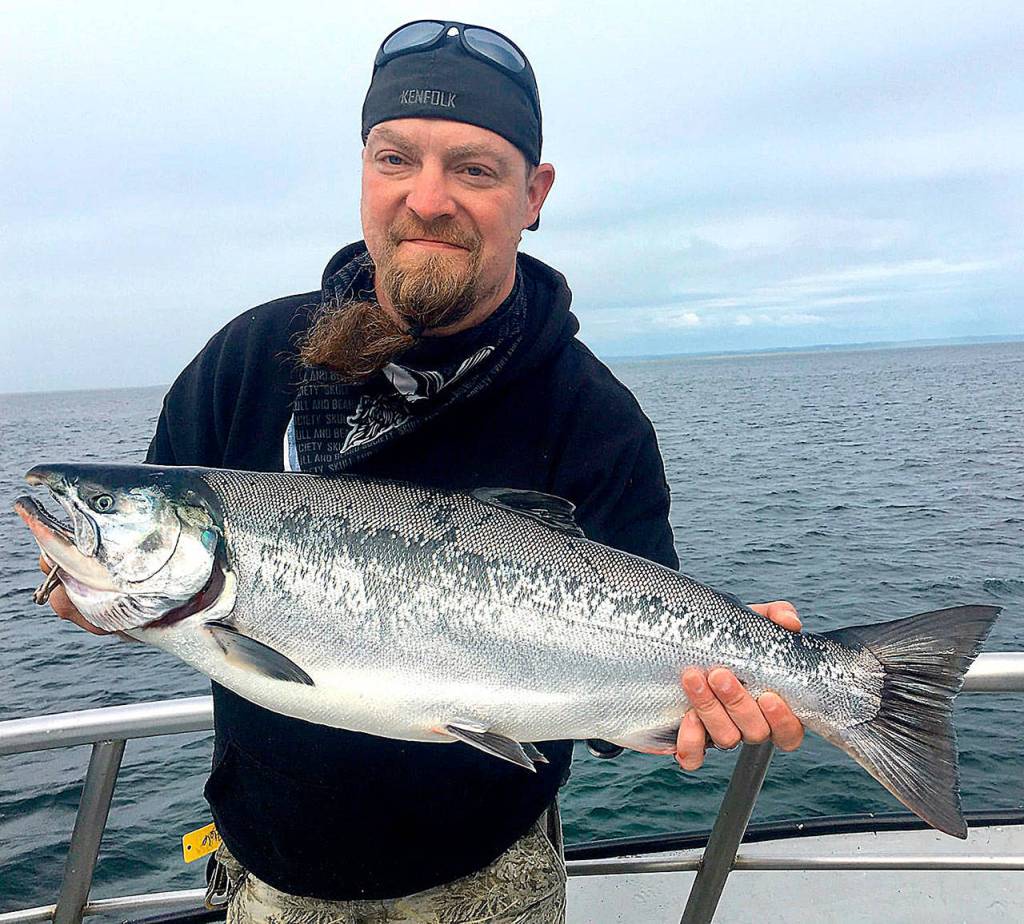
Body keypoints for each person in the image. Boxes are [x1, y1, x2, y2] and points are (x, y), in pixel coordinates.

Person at [41, 20, 804, 922]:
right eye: (394, 158)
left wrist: (713, 691)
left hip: (490, 880)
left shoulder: (594, 420)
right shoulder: (248, 363)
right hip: (270, 874)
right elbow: (123, 576)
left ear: (535, 192)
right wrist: (79, 584)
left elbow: (628, 685)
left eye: (475, 169)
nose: (427, 200)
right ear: (364, 171)